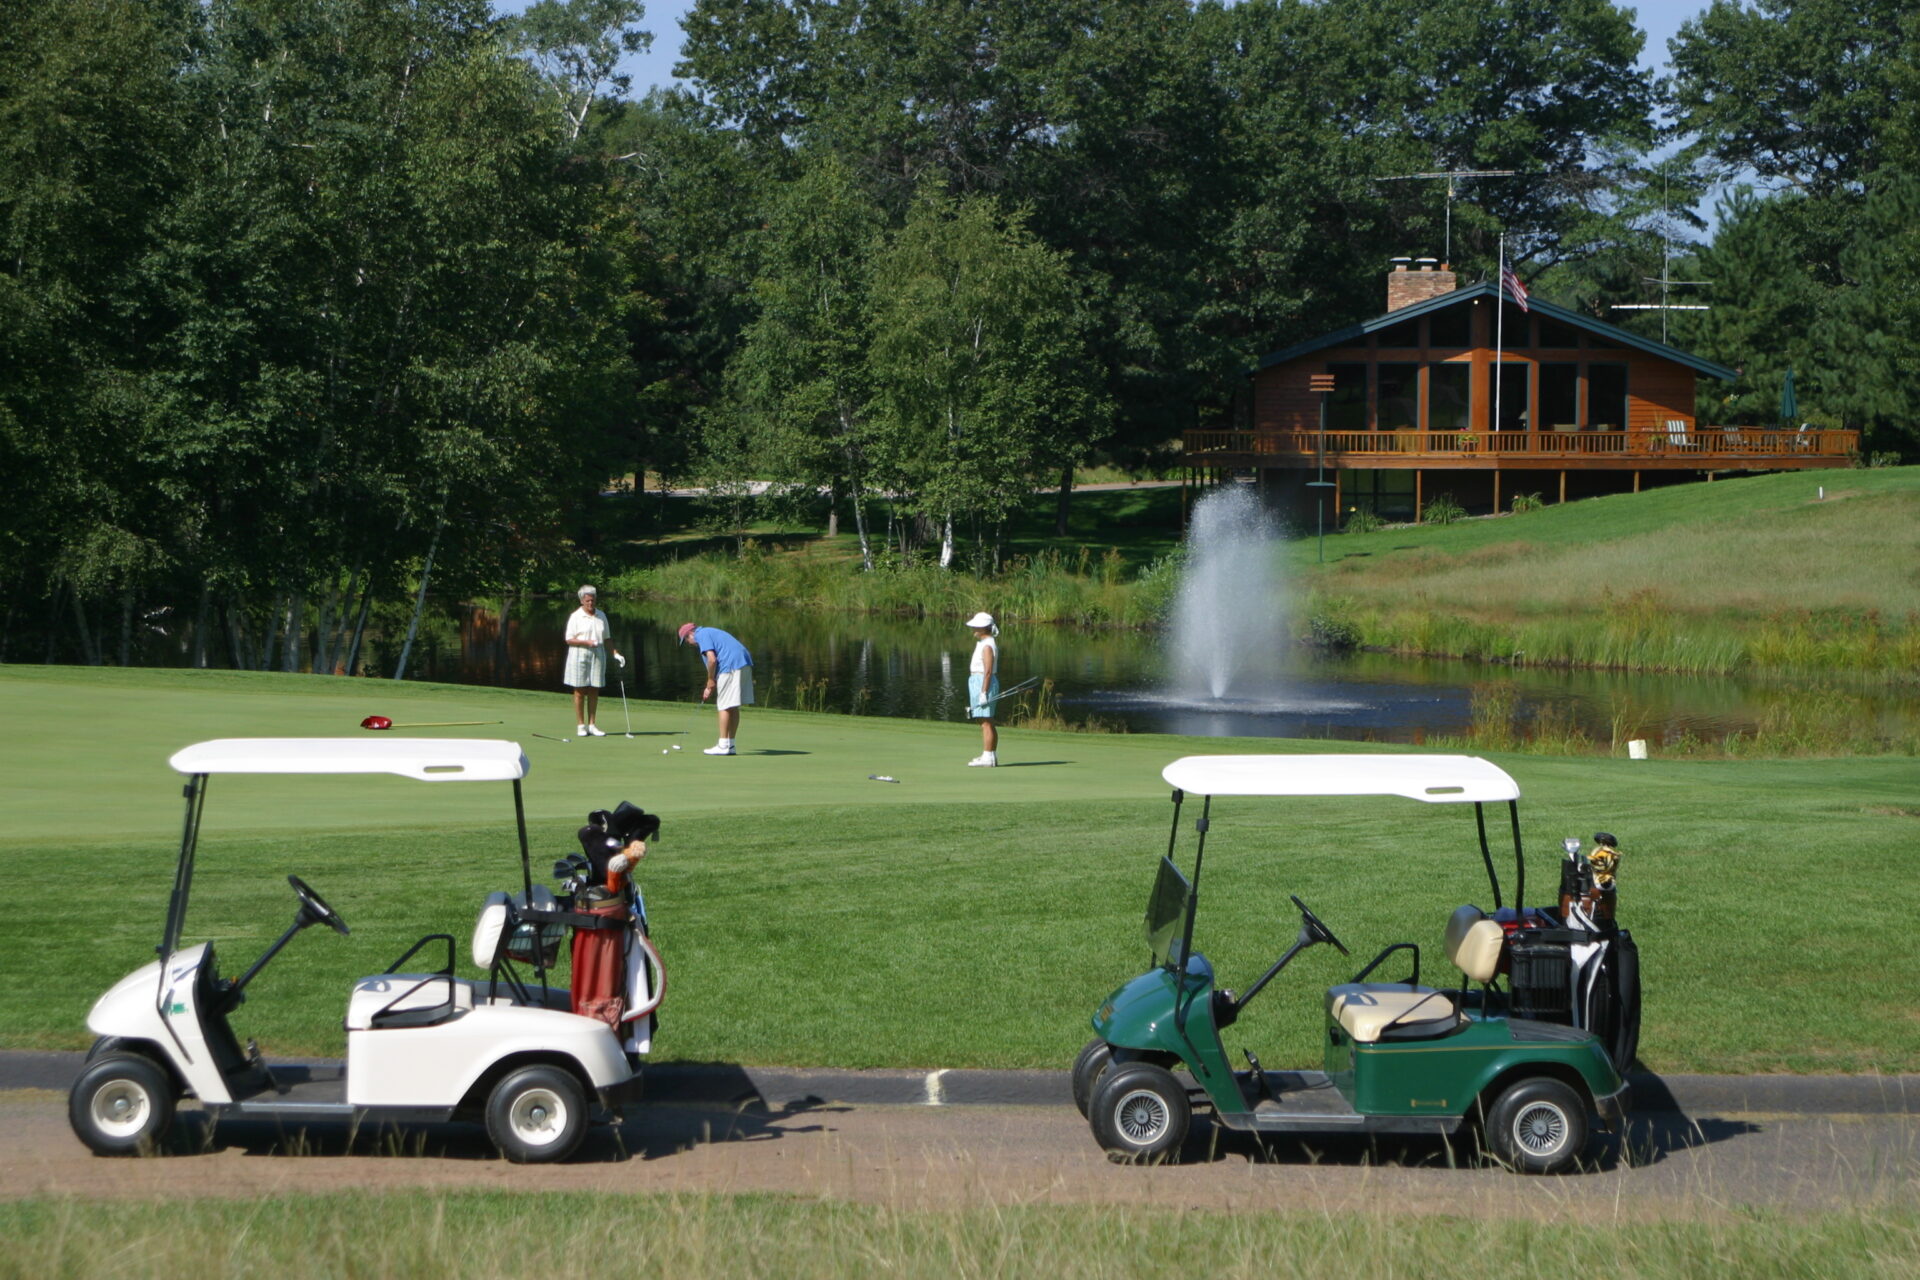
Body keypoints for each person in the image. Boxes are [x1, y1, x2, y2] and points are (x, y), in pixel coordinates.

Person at [678, 622, 753, 755]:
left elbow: (712, 660)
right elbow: (716, 663)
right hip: (743, 663)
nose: (690, 644)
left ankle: (723, 745)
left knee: (724, 706)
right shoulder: (709, 632)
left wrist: (710, 680)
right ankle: (731, 745)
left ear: (690, 634)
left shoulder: (701, 635)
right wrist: (711, 684)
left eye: (687, 640)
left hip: (731, 666)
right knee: (732, 706)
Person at [563, 585, 622, 737]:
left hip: (598, 653)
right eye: (588, 600)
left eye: (593, 600)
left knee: (595, 689)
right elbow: (569, 639)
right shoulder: (575, 616)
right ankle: (581, 726)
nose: (591, 603)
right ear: (582, 601)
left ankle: (592, 725)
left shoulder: (601, 615)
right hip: (579, 653)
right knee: (580, 690)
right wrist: (586, 642)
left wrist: (615, 653)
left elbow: (607, 638)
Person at [964, 611, 1000, 767]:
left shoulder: (987, 645)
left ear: (983, 628)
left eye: (976, 627)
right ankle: (990, 756)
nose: (973, 629)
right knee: (986, 721)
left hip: (982, 682)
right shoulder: (985, 643)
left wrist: (983, 692)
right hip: (978, 681)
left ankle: (988, 757)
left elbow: (988, 671)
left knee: (986, 722)